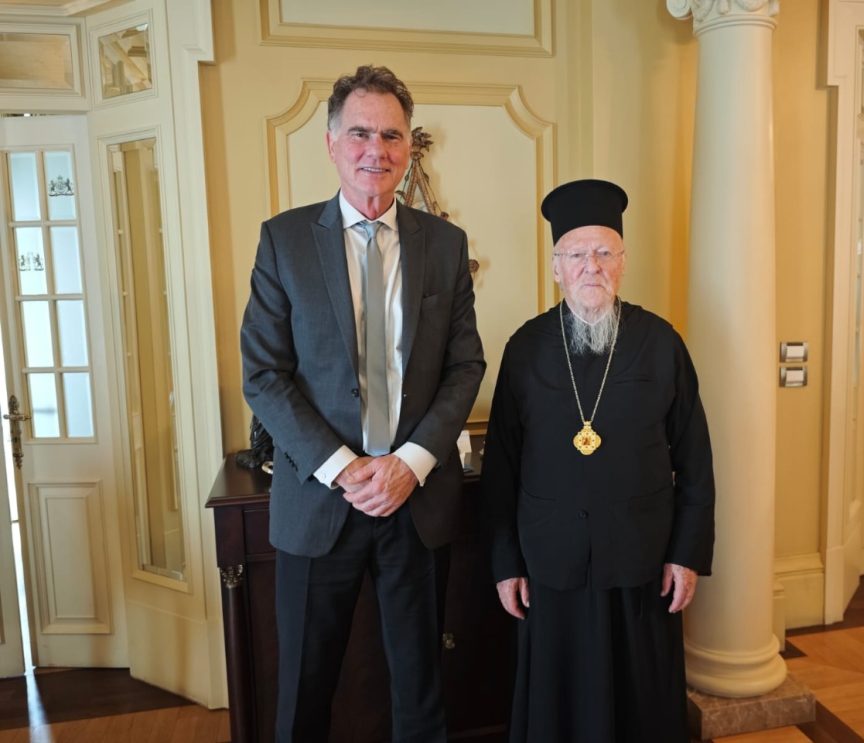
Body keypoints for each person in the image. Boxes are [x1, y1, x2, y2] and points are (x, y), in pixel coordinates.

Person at [241, 65, 485, 742]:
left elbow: (465, 365)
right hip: (320, 503)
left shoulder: (445, 244)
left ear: (407, 146)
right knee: (304, 693)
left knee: (421, 693)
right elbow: (263, 373)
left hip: (416, 504)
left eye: (391, 135)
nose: (375, 149)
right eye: (360, 133)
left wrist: (411, 462)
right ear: (331, 143)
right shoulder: (285, 242)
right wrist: (345, 468)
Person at [481, 179, 715, 742]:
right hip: (551, 566)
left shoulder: (661, 343)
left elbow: (696, 459)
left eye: (605, 253)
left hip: (641, 564)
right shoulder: (525, 347)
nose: (592, 267)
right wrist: (506, 563)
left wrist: (686, 555)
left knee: (642, 706)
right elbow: (501, 468)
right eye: (577, 254)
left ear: (623, 263)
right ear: (556, 268)